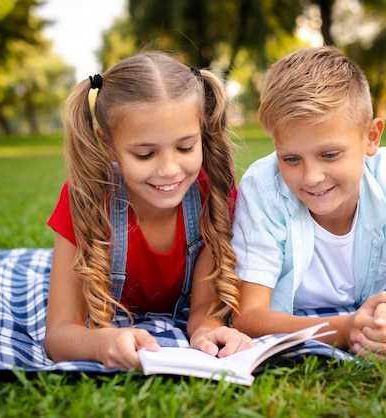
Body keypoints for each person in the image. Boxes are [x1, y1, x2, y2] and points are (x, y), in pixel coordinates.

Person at [231, 46, 386, 360]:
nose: (312, 177)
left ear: (371, 137)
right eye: (291, 158)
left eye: (329, 155)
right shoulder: (262, 190)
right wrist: (345, 328)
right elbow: (248, 316)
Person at [45, 51, 253, 370]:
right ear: (109, 143)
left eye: (185, 147)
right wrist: (100, 342)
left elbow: (203, 314)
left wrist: (208, 332)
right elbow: (59, 333)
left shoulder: (211, 192)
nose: (169, 169)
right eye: (145, 154)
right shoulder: (85, 199)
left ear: (202, 131)